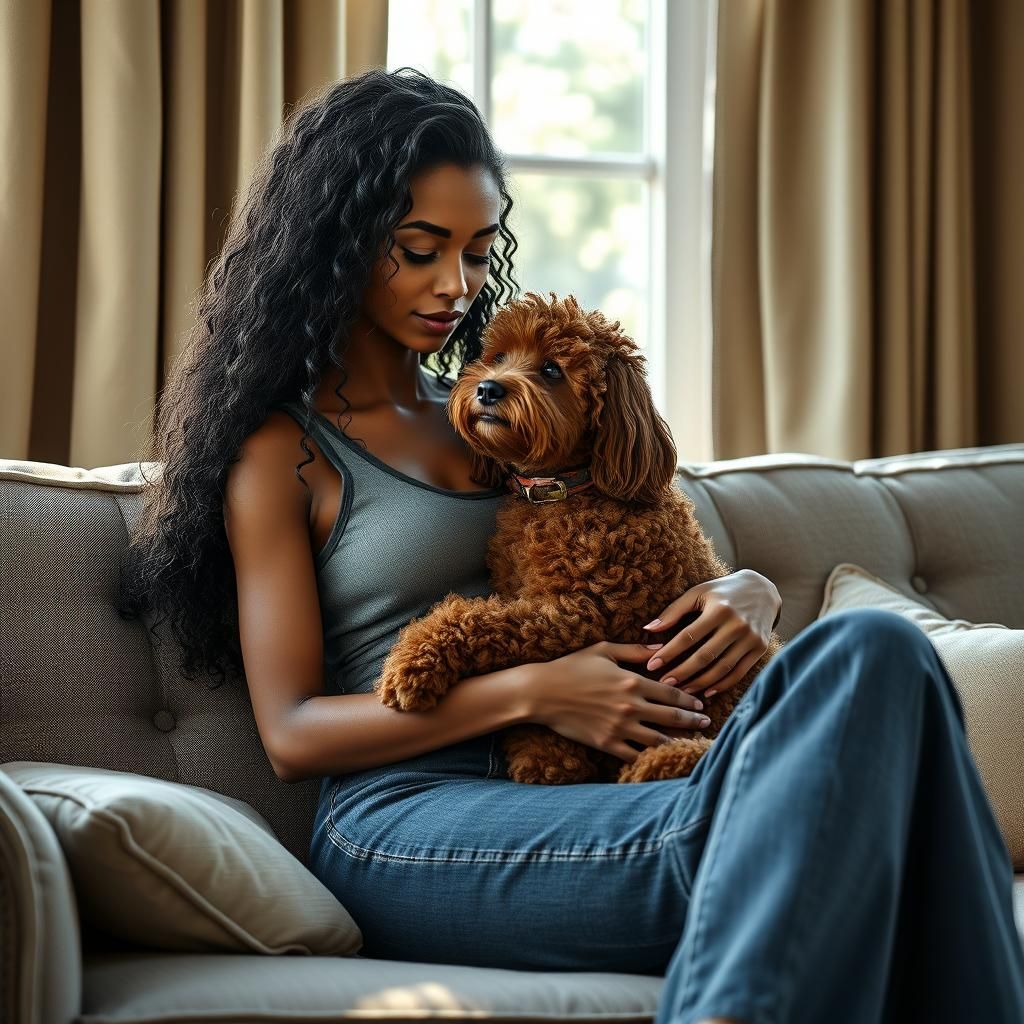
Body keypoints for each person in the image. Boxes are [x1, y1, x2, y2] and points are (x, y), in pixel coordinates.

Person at [120, 68, 1024, 1024]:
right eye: (420, 249)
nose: (455, 285)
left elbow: (640, 542)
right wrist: (537, 689)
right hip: (416, 819)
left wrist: (744, 591)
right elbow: (294, 734)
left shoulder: (516, 410)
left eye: (477, 250)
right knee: (836, 817)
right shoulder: (284, 450)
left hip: (618, 776)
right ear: (336, 244)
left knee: (880, 653)